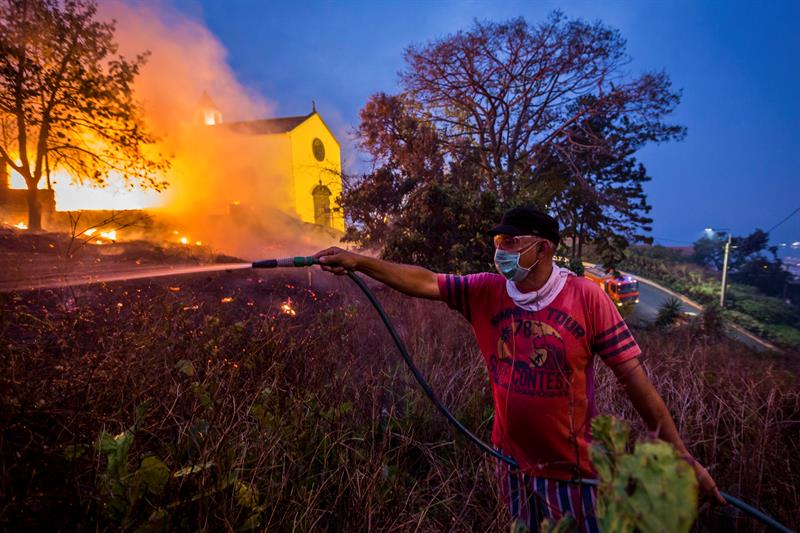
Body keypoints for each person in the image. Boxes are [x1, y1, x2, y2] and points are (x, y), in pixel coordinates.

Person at [313, 206, 724, 531]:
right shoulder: (487, 291)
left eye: (511, 241)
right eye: (498, 240)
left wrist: (682, 456)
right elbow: (425, 282)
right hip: (510, 463)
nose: (500, 250)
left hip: (571, 474)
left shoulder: (586, 299)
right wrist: (358, 261)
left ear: (542, 248)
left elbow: (636, 382)